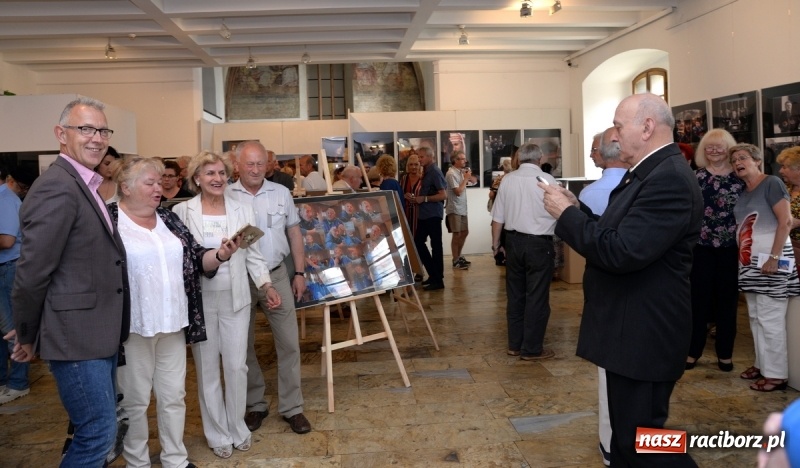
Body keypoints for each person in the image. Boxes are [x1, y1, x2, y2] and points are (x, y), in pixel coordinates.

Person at [539, 93, 702, 467]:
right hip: (631, 329)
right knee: (633, 441)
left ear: (646, 127)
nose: (613, 134)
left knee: (645, 442)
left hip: (644, 332)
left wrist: (568, 216)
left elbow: (622, 252)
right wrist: (577, 210)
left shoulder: (668, 179)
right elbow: (617, 235)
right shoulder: (647, 173)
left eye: (618, 124)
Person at [10, 97, 130, 466]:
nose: (97, 138)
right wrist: (27, 333)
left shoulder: (83, 183)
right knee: (96, 434)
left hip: (95, 332)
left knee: (100, 430)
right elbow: (32, 272)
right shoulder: (57, 187)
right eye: (86, 129)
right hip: (77, 336)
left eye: (103, 130)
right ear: (61, 134)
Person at [109, 157, 237, 468]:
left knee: (173, 396)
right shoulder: (108, 221)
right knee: (135, 401)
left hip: (173, 322)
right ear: (125, 187)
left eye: (159, 182)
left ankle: (175, 459)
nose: (159, 187)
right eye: (149, 183)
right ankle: (137, 462)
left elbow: (196, 259)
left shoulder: (168, 218)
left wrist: (220, 255)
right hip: (133, 327)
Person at [172, 151, 280, 459]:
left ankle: (237, 427)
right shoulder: (182, 212)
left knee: (236, 366)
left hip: (237, 299)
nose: (217, 179)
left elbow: (253, 254)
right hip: (201, 301)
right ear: (196, 179)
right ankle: (217, 433)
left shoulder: (242, 208)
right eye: (209, 174)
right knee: (207, 371)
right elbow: (181, 259)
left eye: (221, 173)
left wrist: (266, 284)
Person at [226, 141, 312, 436]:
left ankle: (292, 408)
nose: (254, 169)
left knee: (289, 343)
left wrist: (299, 271)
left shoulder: (281, 193)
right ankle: (255, 404)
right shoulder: (224, 194)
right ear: (236, 165)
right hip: (238, 277)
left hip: (276, 274)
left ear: (269, 165)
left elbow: (294, 233)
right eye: (249, 164)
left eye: (260, 163)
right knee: (243, 345)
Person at [575, 127, 629, 467]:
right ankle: (617, 445)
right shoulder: (629, 188)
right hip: (624, 291)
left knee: (614, 370)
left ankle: (614, 444)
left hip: (618, 290)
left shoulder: (598, 192)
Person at [731, 143, 799, 392]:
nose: (738, 162)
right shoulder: (744, 190)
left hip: (772, 261)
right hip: (750, 264)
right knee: (756, 317)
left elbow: (786, 222)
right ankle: (762, 365)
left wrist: (774, 256)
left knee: (770, 319)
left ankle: (776, 375)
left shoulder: (771, 183)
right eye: (735, 159)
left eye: (743, 157)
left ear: (757, 160)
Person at [490, 143, 557, 362]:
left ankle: (514, 345)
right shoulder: (548, 181)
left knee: (515, 296)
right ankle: (532, 349)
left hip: (514, 244)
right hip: (539, 244)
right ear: (540, 158)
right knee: (537, 297)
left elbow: (497, 218)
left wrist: (496, 245)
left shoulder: (508, 180)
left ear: (519, 158)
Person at [685, 129, 742, 374]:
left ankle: (725, 354)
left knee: (727, 303)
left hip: (731, 249)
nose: (714, 151)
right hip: (701, 248)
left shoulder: (741, 179)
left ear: (729, 149)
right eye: (709, 147)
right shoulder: (695, 177)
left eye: (720, 146)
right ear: (702, 151)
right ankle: (693, 351)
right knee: (697, 301)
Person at [0, 166, 36, 406]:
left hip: (9, 268)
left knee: (12, 328)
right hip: (7, 267)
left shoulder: (4, 198)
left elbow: (6, 240)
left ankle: (18, 383)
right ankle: (6, 381)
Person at [413, 147, 447, 291]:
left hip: (432, 214)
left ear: (429, 156)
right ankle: (435, 275)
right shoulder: (427, 172)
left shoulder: (434, 172)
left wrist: (424, 199)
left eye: (421, 157)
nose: (419, 160)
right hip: (425, 214)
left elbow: (443, 195)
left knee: (433, 245)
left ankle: (437, 278)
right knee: (420, 242)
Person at [446, 150, 472, 270]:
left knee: (465, 232)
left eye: (464, 158)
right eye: (462, 159)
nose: (464, 161)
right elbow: (458, 191)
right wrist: (466, 179)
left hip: (462, 208)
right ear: (455, 160)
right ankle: (455, 259)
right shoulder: (451, 173)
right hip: (454, 208)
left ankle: (459, 256)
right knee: (456, 234)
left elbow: (474, 181)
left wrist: (468, 177)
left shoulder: (461, 172)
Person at [777, 146, 800, 273]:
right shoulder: (783, 188)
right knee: (786, 287)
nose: (780, 171)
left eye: (784, 167)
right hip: (784, 249)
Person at [401, 154, 423, 237]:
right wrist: (404, 195)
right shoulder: (403, 178)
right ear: (407, 166)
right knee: (406, 238)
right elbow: (398, 195)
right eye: (411, 164)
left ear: (419, 165)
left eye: (416, 164)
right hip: (406, 214)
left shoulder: (423, 179)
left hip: (420, 214)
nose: (413, 167)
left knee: (419, 241)